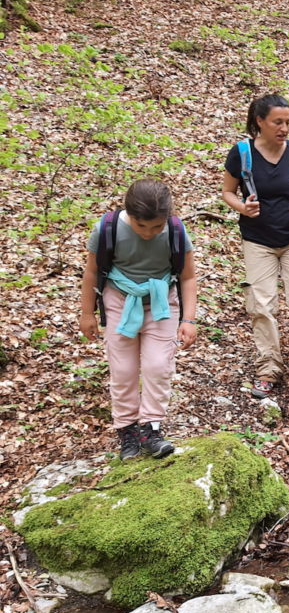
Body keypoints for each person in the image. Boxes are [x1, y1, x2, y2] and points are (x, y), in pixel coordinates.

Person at [79, 179, 198, 460]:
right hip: (119, 300)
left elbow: (188, 276)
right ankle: (127, 431)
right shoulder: (107, 229)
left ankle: (151, 428)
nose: (148, 233)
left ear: (167, 218)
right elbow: (91, 273)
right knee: (122, 371)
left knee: (158, 365)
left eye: (156, 227)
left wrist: (189, 319)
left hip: (161, 302)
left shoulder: (176, 232)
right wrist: (87, 313)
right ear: (128, 214)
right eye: (141, 225)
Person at [221, 94, 289, 399]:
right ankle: (268, 368)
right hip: (257, 240)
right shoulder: (241, 154)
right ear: (260, 122)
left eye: (288, 122)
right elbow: (227, 192)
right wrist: (242, 207)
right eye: (277, 122)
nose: (284, 128)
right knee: (261, 305)